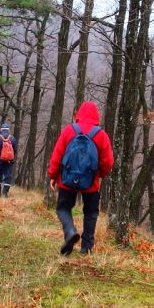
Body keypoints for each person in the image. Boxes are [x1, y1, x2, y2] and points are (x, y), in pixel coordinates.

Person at [47, 101, 114, 256]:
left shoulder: (69, 130)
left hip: (67, 180)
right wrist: (100, 174)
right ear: (97, 116)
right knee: (90, 213)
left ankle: (70, 232)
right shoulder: (100, 135)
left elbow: (57, 154)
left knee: (63, 208)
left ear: (79, 114)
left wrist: (53, 175)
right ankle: (86, 248)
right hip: (91, 183)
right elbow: (108, 161)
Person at [0, 123, 17, 197]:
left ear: (1, 129)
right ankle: (5, 193)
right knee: (8, 176)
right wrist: (10, 157)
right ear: (8, 130)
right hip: (9, 161)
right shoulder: (13, 138)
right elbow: (15, 150)